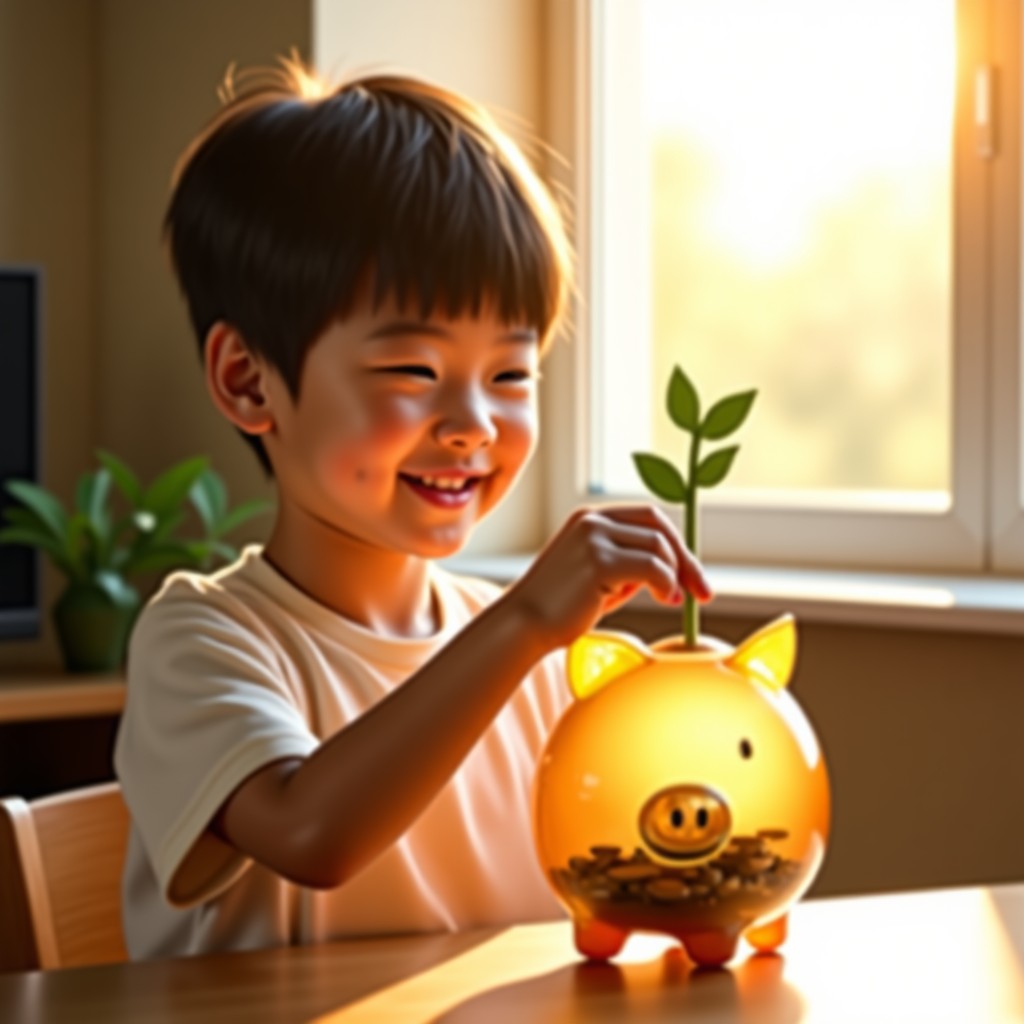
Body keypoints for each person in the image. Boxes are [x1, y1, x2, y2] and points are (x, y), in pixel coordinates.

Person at [113, 55, 712, 961]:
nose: (474, 426)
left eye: (510, 375)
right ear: (248, 381)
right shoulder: (202, 641)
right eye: (413, 371)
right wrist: (525, 624)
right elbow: (310, 833)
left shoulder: (532, 655)